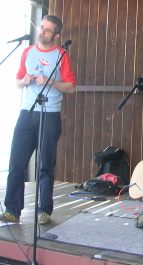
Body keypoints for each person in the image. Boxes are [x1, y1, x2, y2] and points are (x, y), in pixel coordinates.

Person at [0, 15, 76, 225]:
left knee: (45, 164)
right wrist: (23, 81)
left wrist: (51, 82)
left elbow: (70, 85)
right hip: (27, 112)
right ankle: (12, 210)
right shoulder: (27, 52)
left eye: (47, 30)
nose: (41, 32)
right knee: (16, 162)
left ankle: (44, 210)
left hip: (49, 113)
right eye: (41, 27)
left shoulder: (61, 55)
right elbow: (17, 80)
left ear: (57, 35)